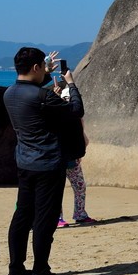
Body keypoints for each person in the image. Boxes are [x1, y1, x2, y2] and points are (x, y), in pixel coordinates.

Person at [2, 47, 84, 275]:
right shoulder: (43, 97)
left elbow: (33, 93)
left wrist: (46, 75)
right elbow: (76, 111)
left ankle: (16, 268)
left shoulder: (9, 94)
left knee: (22, 216)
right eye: (43, 66)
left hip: (25, 163)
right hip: (48, 165)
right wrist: (71, 85)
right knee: (44, 220)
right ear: (36, 67)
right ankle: (41, 273)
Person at [51, 75, 94, 227]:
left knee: (79, 186)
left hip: (72, 157)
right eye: (66, 97)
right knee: (58, 188)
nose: (69, 100)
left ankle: (79, 214)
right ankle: (58, 217)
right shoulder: (57, 114)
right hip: (59, 158)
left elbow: (83, 137)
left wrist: (80, 152)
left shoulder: (76, 116)